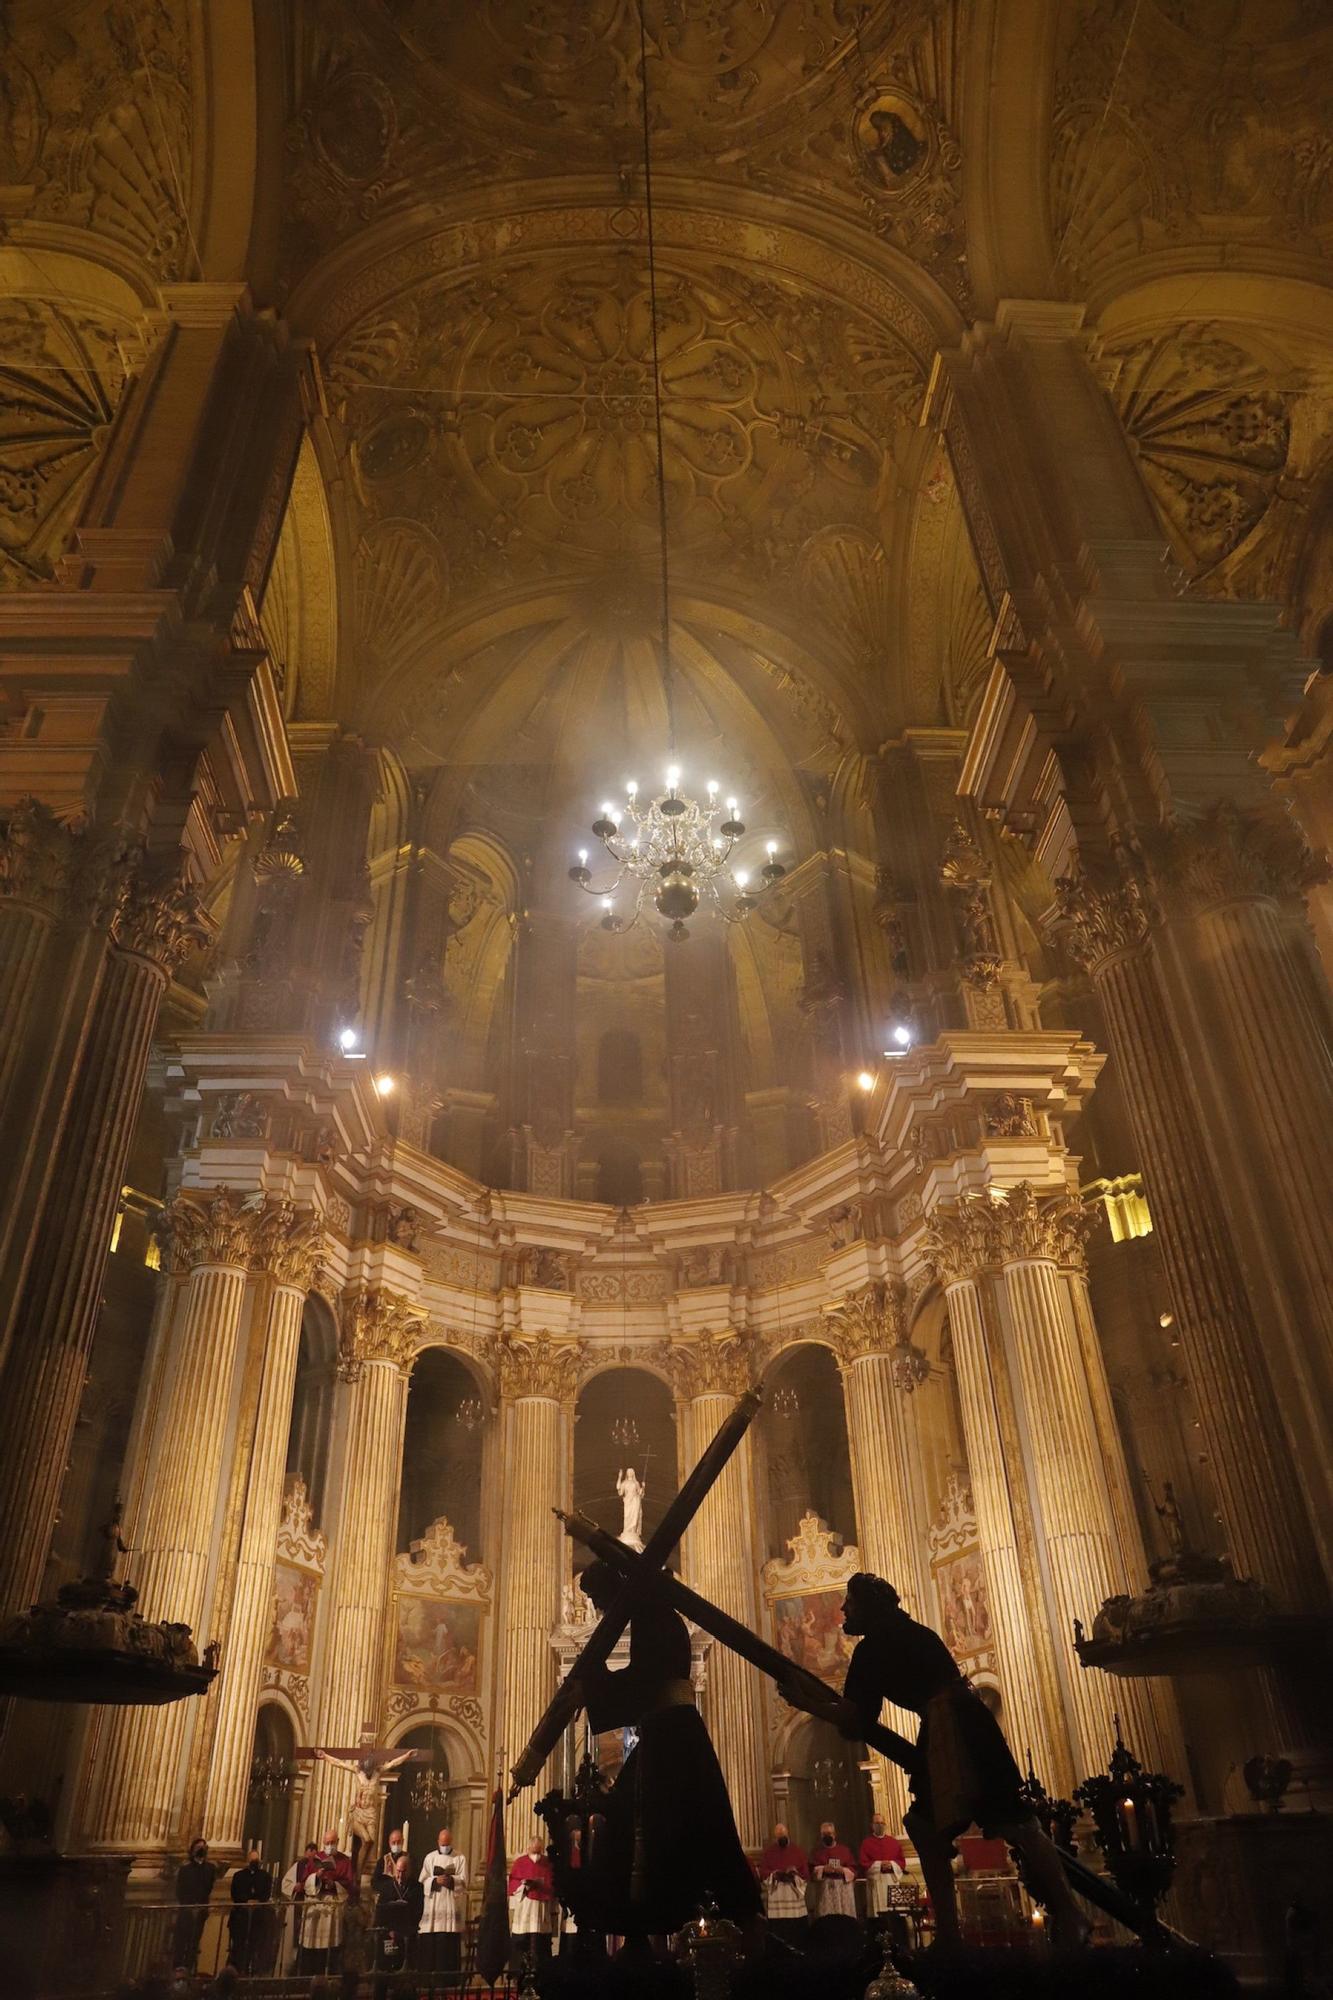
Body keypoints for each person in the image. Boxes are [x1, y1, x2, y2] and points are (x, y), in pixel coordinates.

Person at [783, 1571, 1089, 1950]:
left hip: (949, 1731)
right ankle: (1065, 1915)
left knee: (979, 1823)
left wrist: (805, 1702)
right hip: (967, 1722)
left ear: (870, 1606)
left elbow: (855, 1720)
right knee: (1007, 1821)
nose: (843, 1608)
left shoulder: (873, 1648)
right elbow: (858, 1717)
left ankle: (952, 1935)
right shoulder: (915, 1633)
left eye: (851, 1601)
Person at [568, 1559, 761, 1939]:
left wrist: (590, 1687)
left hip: (672, 1735)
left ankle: (650, 1929)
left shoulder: (652, 1616)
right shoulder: (654, 1612)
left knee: (649, 1824)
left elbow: (646, 1679)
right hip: (669, 1732)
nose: (598, 1607)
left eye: (596, 1597)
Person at [416, 1826, 467, 1973]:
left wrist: (451, 1881)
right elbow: (422, 1880)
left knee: (448, 1947)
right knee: (431, 1947)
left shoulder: (459, 1858)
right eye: (442, 1844)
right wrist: (434, 1881)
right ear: (438, 1842)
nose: (445, 1847)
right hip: (433, 1909)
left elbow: (464, 1881)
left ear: (451, 1841)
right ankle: (428, 1980)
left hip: (450, 1908)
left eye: (447, 1844)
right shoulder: (430, 1858)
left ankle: (448, 1980)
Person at [374, 1852, 422, 1988]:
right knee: (384, 1975)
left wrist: (403, 1930)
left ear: (410, 1871)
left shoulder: (417, 1888)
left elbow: (417, 1913)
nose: (400, 1876)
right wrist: (390, 1930)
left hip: (406, 1936)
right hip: (388, 1935)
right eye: (398, 1871)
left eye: (404, 1872)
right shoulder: (387, 1887)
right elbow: (380, 1912)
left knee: (404, 1979)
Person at [508, 1834, 555, 1969]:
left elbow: (552, 1882)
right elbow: (513, 1881)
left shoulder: (547, 1862)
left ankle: (540, 1970)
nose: (536, 1853)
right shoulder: (520, 1862)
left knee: (539, 1939)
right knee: (523, 1939)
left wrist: (542, 1884)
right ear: (528, 1848)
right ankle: (520, 1970)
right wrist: (524, 1885)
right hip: (525, 1906)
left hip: (541, 1906)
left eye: (538, 1850)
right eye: (533, 1850)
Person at [756, 1823, 809, 1945]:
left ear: (787, 1833)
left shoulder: (797, 1851)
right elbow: (763, 1871)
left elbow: (804, 1872)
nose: (782, 1838)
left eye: (783, 1835)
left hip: (793, 1893)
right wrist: (774, 1874)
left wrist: (794, 1873)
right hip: (777, 1895)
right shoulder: (769, 1852)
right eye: (779, 1836)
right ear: (775, 1837)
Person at [171, 1837, 217, 1973]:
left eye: (203, 1847)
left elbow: (208, 1888)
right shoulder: (185, 1869)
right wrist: (189, 1905)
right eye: (198, 1848)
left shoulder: (209, 1869)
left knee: (194, 1942)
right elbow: (180, 1890)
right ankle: (178, 1969)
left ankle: (190, 1968)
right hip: (186, 1910)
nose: (201, 1850)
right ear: (192, 1850)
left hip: (201, 1910)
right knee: (181, 1941)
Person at [227, 1849, 274, 1974]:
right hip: (240, 1917)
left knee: (255, 1946)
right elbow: (235, 1893)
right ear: (248, 1861)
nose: (254, 1862)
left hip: (258, 1919)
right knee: (238, 1947)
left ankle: (253, 1971)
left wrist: (256, 1901)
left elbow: (266, 1894)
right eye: (252, 1859)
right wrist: (246, 1901)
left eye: (256, 1860)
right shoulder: (239, 1876)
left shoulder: (265, 1876)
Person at [860, 1816, 908, 1935]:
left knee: (895, 1916)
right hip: (877, 1882)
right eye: (877, 1823)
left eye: (882, 1823)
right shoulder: (866, 1843)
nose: (880, 1825)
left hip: (891, 1880)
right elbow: (863, 1863)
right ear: (872, 1825)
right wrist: (880, 1865)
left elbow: (902, 1861)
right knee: (878, 1915)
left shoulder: (893, 1842)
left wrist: (891, 1864)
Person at [810, 1822, 858, 1918]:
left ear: (834, 1835)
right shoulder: (817, 1852)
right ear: (821, 1835)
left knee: (844, 1917)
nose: (827, 1836)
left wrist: (842, 1870)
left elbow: (853, 1869)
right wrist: (823, 1869)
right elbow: (811, 1871)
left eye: (829, 1834)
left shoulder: (844, 1850)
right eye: (824, 1834)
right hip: (825, 1889)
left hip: (842, 1888)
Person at [371, 1827, 410, 1894]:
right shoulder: (383, 1861)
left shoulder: (409, 1859)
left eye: (398, 1842)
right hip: (387, 1896)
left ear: (403, 1841)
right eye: (393, 1842)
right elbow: (375, 1883)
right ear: (389, 1843)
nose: (396, 1845)